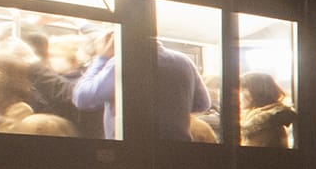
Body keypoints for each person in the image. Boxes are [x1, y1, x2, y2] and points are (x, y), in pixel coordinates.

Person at [71, 25, 211, 140]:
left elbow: (82, 97)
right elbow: (203, 104)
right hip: (177, 149)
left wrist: (101, 58)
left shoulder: (120, 62)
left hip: (132, 149)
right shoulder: (184, 61)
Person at [238, 71, 296, 148]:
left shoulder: (268, 119)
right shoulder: (252, 116)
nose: (238, 96)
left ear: (255, 92)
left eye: (242, 90)